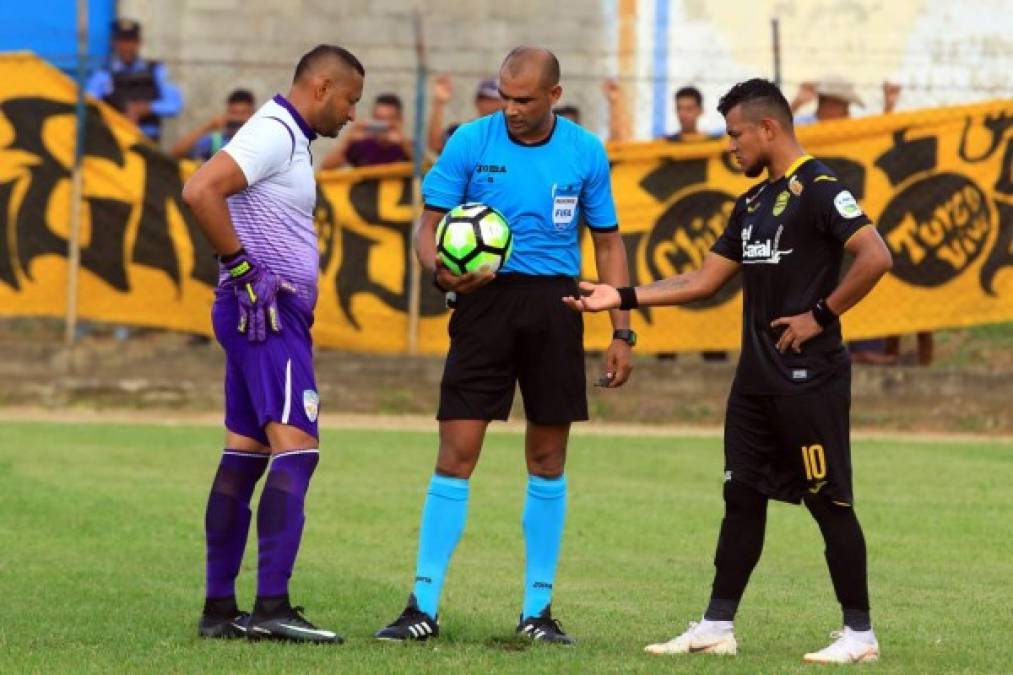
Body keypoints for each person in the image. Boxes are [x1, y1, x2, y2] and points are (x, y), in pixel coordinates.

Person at [565, 78, 893, 664]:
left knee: (828, 500)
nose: (729, 145)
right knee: (741, 497)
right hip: (754, 384)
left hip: (808, 380)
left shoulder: (820, 188)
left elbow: (876, 255)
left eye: (736, 133)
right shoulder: (751, 204)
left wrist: (821, 315)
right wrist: (621, 296)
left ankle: (860, 634)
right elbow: (701, 281)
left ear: (769, 128)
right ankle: (717, 626)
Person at [374, 46, 634, 645]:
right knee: (456, 453)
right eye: (503, 95)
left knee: (547, 460)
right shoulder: (471, 140)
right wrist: (441, 272)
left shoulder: (584, 151)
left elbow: (610, 243)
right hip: (483, 304)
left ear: (553, 94)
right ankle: (422, 605)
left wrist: (621, 329)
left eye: (522, 99)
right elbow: (428, 225)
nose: (510, 109)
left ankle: (537, 611)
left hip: (557, 307)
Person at [181, 44, 365, 644]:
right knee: (298, 450)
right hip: (267, 315)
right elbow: (200, 189)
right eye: (350, 100)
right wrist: (240, 269)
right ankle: (272, 607)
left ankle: (218, 610)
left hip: (255, 316)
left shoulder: (284, 136)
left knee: (245, 453)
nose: (352, 114)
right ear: (322, 88)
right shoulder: (276, 133)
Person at [85, 18, 183, 142]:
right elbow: (89, 107)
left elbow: (174, 105)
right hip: (116, 138)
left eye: (131, 41)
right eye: (122, 42)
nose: (127, 47)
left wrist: (146, 108)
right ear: (114, 43)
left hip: (148, 140)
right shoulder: (103, 75)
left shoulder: (155, 70)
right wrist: (119, 118)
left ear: (138, 43)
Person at [320, 92, 411, 169]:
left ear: (400, 120)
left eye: (389, 119)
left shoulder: (407, 147)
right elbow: (325, 168)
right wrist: (348, 139)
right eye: (378, 119)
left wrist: (403, 142)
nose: (383, 125)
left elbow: (423, 168)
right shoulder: (362, 146)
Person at [426, 74, 505, 154]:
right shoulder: (464, 132)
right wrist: (439, 104)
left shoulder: (515, 134)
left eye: (500, 99)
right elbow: (436, 146)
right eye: (489, 99)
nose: (495, 104)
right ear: (477, 102)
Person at [171, 89, 256, 161]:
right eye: (234, 113)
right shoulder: (216, 141)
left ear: (253, 114)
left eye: (243, 113)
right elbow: (176, 153)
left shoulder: (259, 140)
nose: (238, 119)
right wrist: (209, 127)